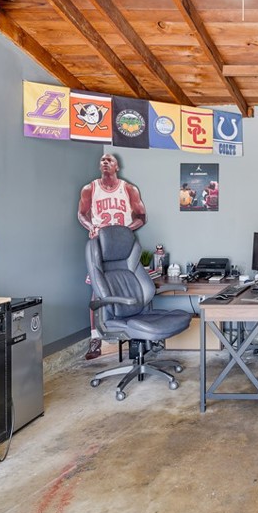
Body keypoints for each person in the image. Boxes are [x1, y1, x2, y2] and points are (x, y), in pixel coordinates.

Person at [79, 153, 147, 359]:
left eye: (109, 160)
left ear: (117, 166)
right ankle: (95, 338)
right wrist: (90, 226)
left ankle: (136, 334)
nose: (105, 162)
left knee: (132, 286)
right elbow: (81, 213)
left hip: (122, 247)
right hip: (100, 246)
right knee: (97, 291)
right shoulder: (90, 188)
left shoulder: (128, 189)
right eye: (102, 160)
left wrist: (126, 230)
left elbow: (142, 217)